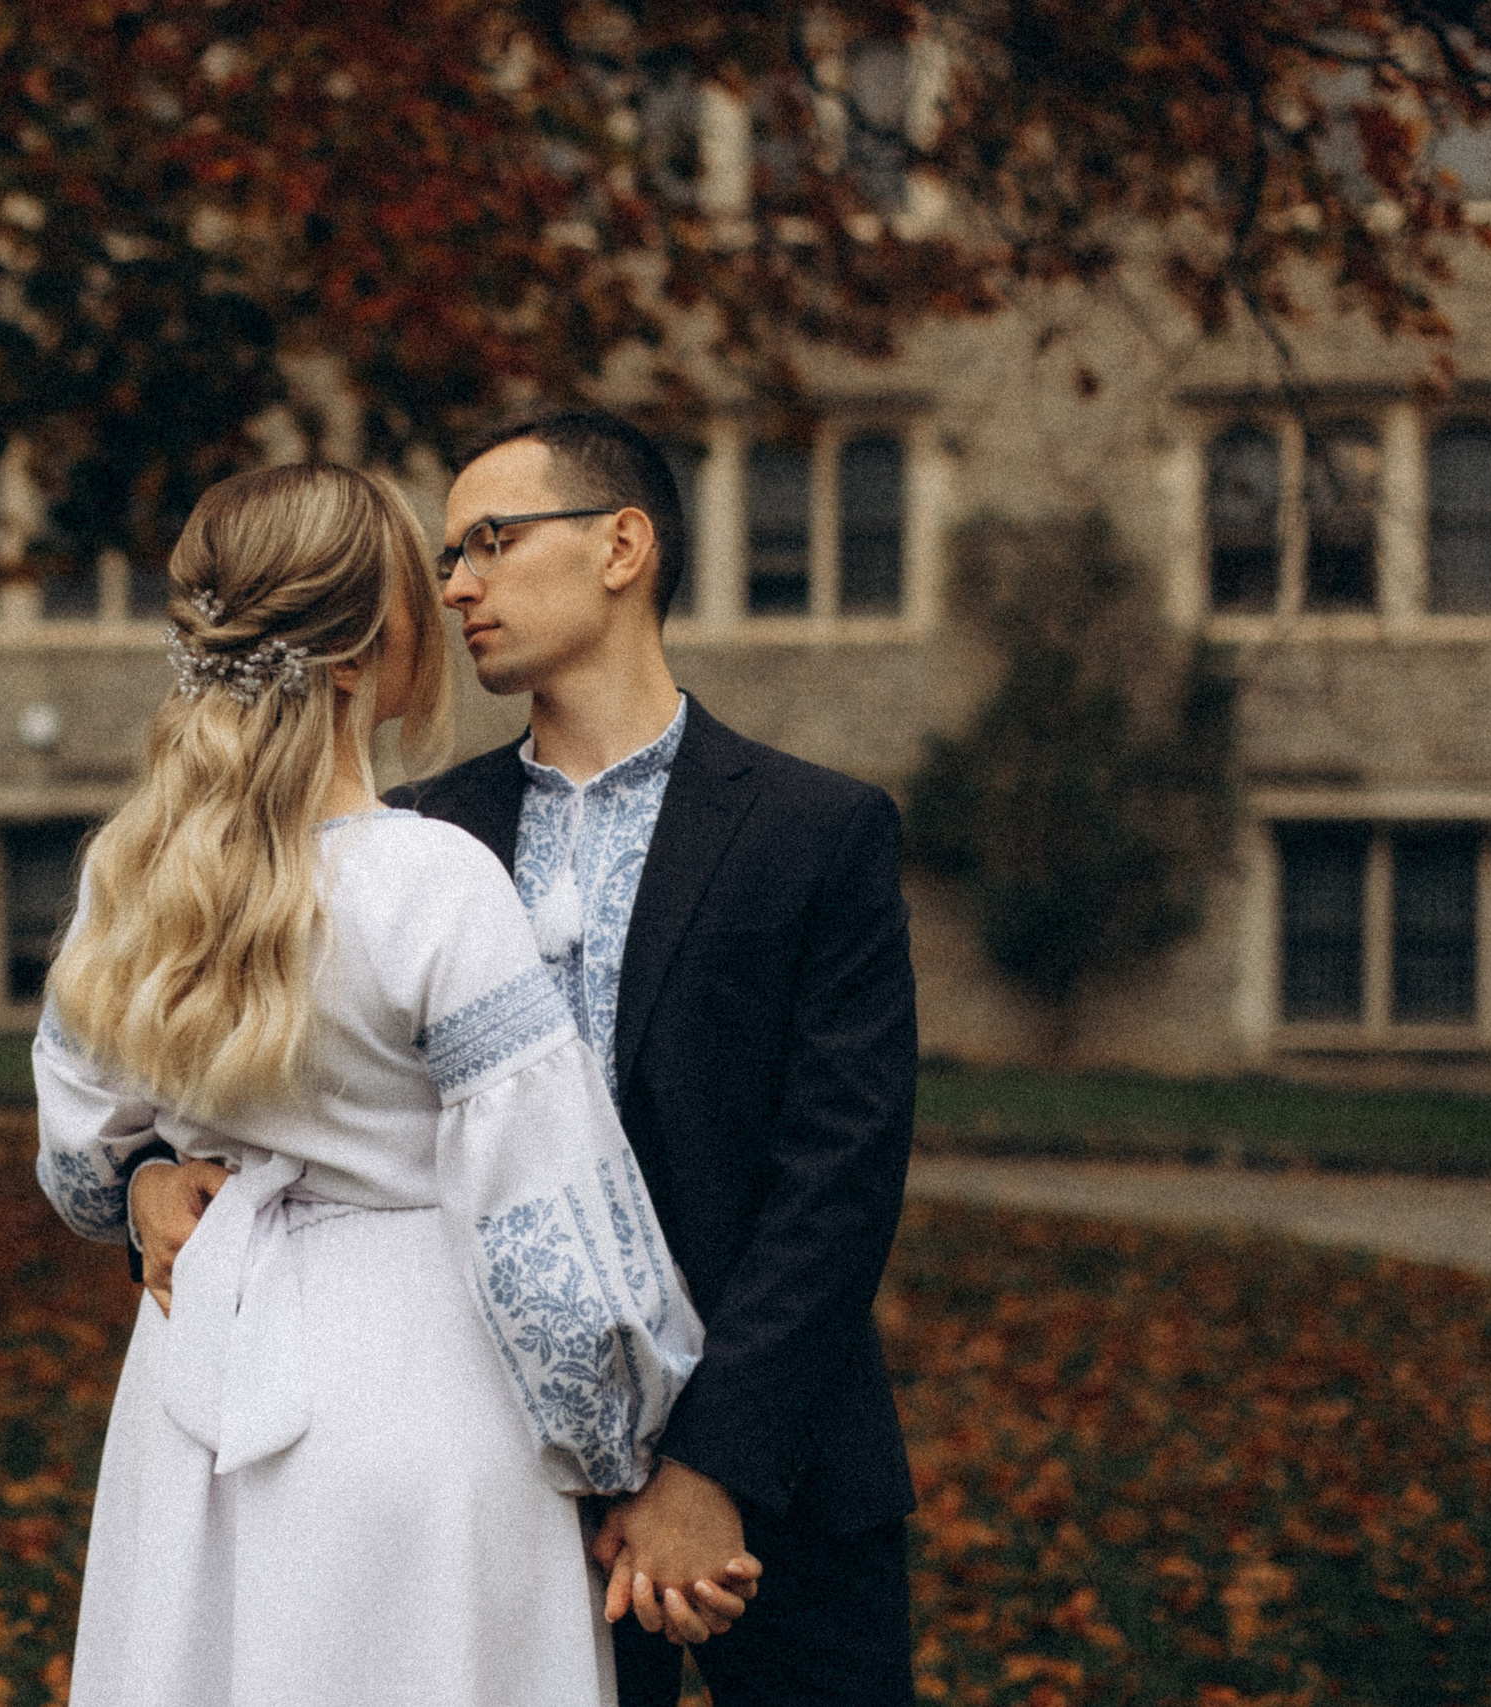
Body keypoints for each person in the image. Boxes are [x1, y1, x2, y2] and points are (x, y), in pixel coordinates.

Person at [134, 411, 921, 1706]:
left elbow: (838, 1176)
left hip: (778, 1470)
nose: (452, 586)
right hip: (495, 1470)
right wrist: (156, 1178)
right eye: (443, 556)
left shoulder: (816, 829)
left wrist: (707, 1470)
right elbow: (255, 1080)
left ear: (622, 545)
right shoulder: (413, 837)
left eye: (491, 542)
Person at [33, 461, 706, 1707]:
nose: (448, 606)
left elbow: (81, 1157)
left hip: (196, 1401)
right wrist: (626, 1457)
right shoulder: (430, 881)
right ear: (360, 651)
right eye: (418, 588)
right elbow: (546, 1226)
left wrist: (146, 1192)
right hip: (420, 1394)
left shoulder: (131, 877)